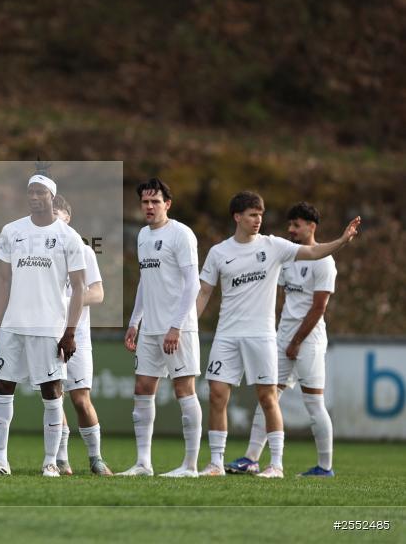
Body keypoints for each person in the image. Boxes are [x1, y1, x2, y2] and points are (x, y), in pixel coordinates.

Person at [196, 191, 359, 478]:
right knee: (220, 394)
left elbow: (315, 266)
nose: (259, 220)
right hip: (246, 335)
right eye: (253, 215)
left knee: (284, 399)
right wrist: (186, 325)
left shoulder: (275, 247)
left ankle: (303, 465)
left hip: (291, 339)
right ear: (237, 217)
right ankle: (226, 462)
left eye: (261, 214)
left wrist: (342, 241)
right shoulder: (221, 252)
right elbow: (205, 292)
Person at [0, 166, 86, 477]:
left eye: (41, 192)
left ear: (53, 197)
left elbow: (79, 287)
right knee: (2, 387)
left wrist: (70, 332)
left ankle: (50, 462)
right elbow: (2, 281)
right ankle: (0, 461)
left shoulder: (68, 237)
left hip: (48, 328)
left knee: (52, 391)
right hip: (13, 325)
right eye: (31, 192)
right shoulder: (12, 231)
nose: (35, 197)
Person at [226, 202, 339, 477]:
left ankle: (325, 467)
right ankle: (251, 459)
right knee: (268, 397)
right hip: (282, 339)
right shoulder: (289, 257)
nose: (290, 230)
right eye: (290, 225)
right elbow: (278, 295)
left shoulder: (324, 261)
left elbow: (318, 307)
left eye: (296, 225)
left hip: (308, 341)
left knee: (313, 403)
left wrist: (296, 341)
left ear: (311, 226)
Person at [120, 178, 202, 478]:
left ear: (168, 203)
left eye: (155, 201)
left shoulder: (181, 234)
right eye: (145, 202)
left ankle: (190, 466)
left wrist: (176, 326)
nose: (150, 207)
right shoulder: (142, 235)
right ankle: (143, 463)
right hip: (150, 328)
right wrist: (134, 321)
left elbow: (193, 283)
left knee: (184, 389)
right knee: (142, 388)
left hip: (176, 328)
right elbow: (145, 281)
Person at [50, 195, 111, 476]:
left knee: (80, 398)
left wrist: (66, 303)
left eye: (58, 215)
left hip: (78, 336)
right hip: (47, 334)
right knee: (54, 397)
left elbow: (97, 293)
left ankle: (96, 458)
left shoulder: (83, 251)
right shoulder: (39, 251)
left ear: (68, 218)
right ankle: (61, 459)